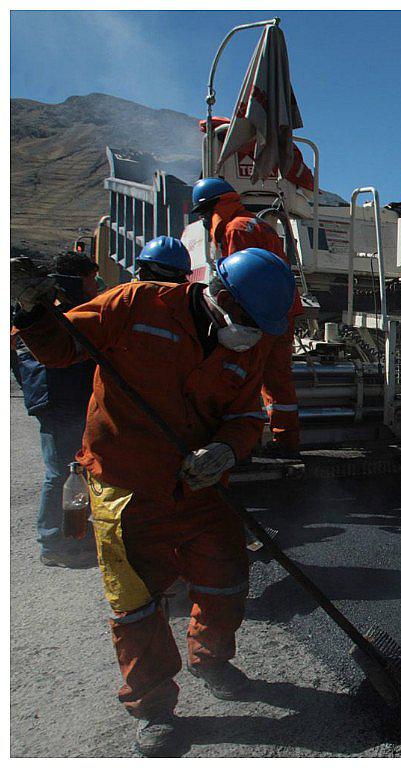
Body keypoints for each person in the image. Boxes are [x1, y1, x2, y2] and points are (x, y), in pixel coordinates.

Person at [12, 248, 296, 756]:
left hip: (201, 488)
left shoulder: (248, 345)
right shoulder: (136, 304)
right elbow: (59, 349)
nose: (253, 335)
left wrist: (227, 449)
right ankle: (154, 706)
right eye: (250, 323)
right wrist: (32, 312)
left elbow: (245, 415)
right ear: (221, 295)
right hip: (127, 486)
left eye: (262, 329)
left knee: (226, 580)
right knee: (136, 605)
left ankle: (212, 660)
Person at [190, 177, 302, 454]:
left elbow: (240, 280)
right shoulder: (255, 223)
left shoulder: (235, 229)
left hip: (258, 313)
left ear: (212, 208)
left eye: (203, 214)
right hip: (282, 310)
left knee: (244, 377)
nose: (204, 221)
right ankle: (286, 441)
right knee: (278, 378)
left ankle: (243, 444)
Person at [10, 251, 99, 567]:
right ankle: (54, 542)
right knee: (62, 471)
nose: (95, 285)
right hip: (62, 397)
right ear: (79, 279)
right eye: (92, 279)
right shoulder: (65, 305)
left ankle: (71, 534)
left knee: (69, 469)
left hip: (53, 396)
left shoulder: (43, 303)